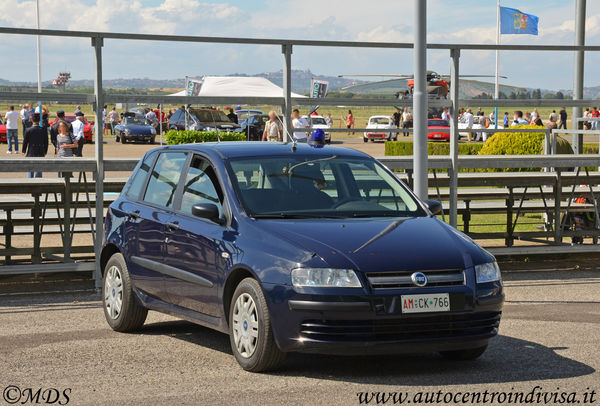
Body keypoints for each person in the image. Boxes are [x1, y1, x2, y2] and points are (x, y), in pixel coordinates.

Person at [22, 112, 48, 178]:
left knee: (30, 169)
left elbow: (25, 141)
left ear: (32, 120)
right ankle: (38, 183)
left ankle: (30, 183)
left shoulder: (28, 130)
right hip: (40, 151)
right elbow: (46, 142)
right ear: (39, 120)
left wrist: (24, 150)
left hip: (31, 151)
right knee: (39, 169)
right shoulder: (43, 130)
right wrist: (45, 151)